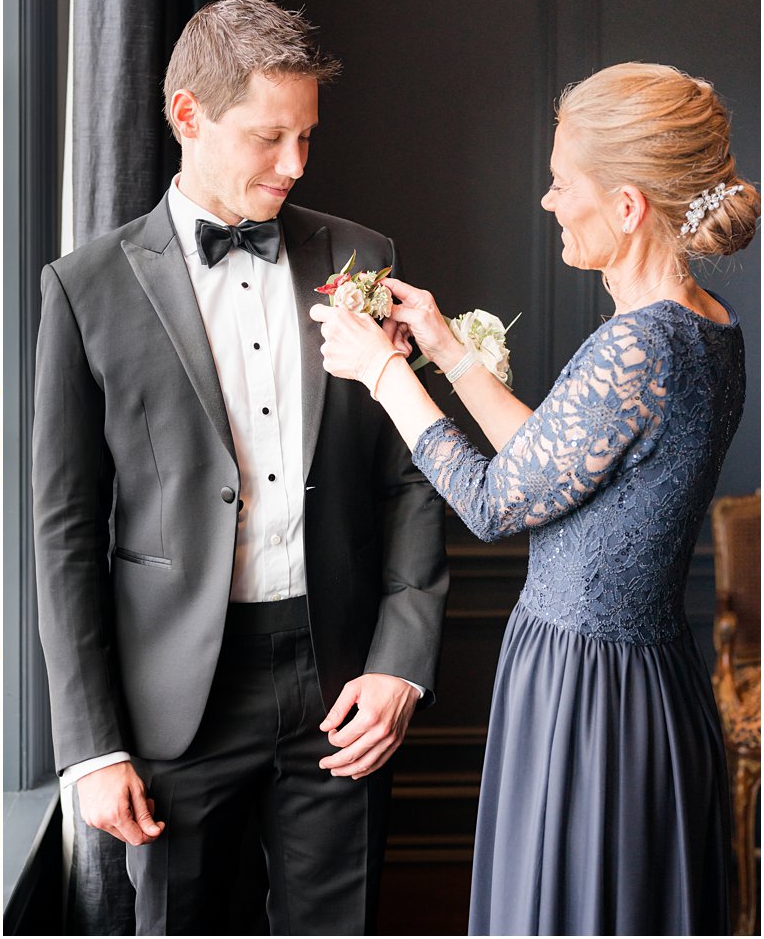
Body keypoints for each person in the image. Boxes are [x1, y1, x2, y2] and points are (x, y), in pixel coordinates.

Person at [33, 0, 448, 935]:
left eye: (306, 137)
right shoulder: (85, 287)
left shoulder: (361, 258)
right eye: (269, 138)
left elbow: (411, 473)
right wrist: (89, 748)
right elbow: (62, 531)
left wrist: (401, 661)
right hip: (175, 695)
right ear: (188, 114)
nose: (294, 164)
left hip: (340, 679)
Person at [310, 61, 757, 934]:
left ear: (627, 206)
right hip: (642, 683)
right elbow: (556, 464)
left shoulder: (639, 348)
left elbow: (492, 503)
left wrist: (386, 373)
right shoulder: (706, 326)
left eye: (562, 184)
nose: (548, 202)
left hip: (589, 696)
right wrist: (442, 344)